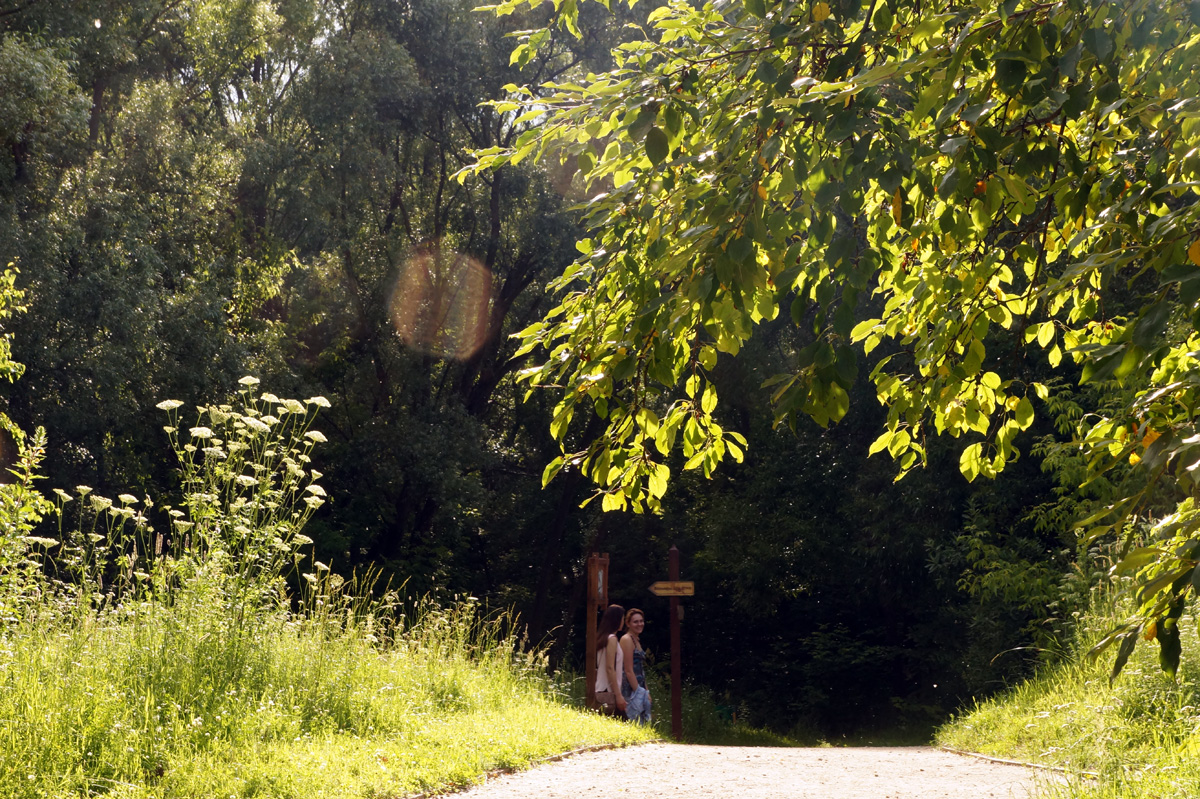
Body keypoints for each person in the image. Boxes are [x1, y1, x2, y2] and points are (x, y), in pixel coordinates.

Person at [620, 607, 651, 723]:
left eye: (641, 621)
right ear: (628, 623)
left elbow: (641, 670)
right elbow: (628, 669)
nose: (640, 624)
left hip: (640, 685)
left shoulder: (636, 639)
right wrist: (639, 693)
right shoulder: (627, 639)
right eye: (635, 622)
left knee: (643, 722)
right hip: (630, 688)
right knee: (634, 721)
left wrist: (646, 691)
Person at [594, 603, 626, 715]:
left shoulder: (603, 638)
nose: (623, 621)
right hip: (609, 691)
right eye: (623, 618)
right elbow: (609, 668)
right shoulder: (612, 639)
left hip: (601, 689)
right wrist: (618, 695)